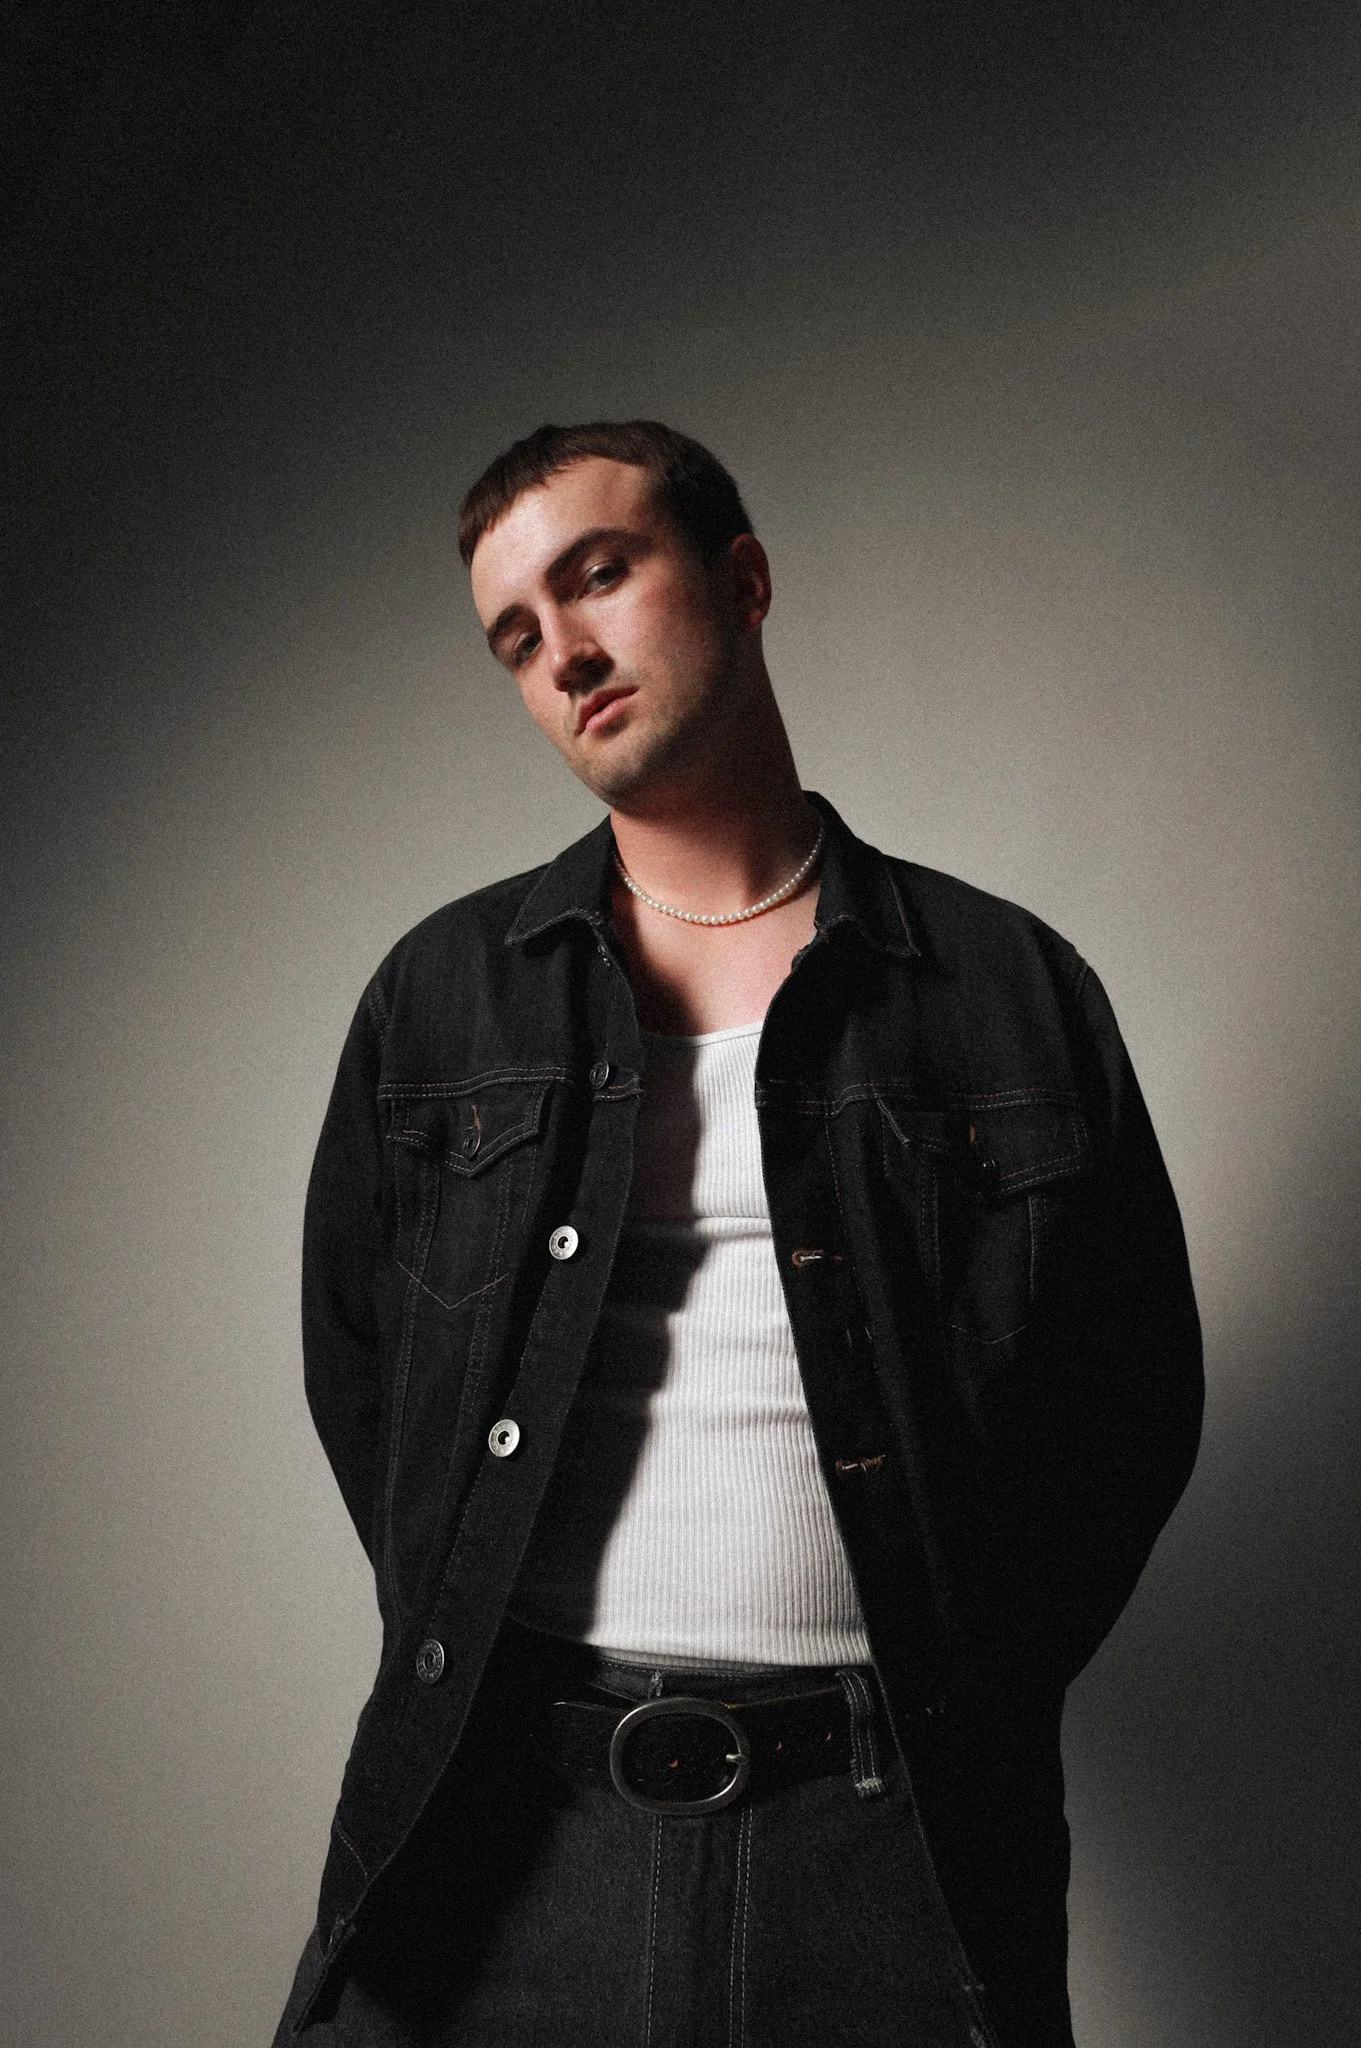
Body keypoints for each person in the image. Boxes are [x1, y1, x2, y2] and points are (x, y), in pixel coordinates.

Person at [274, 421, 1203, 2048]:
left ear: (745, 579)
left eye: (599, 575)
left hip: (894, 1849)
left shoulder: (1006, 991)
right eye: (514, 637)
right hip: (507, 1831)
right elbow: (364, 1382)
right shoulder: (442, 994)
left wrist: (956, 1680)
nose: (563, 653)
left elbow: (1130, 1405)